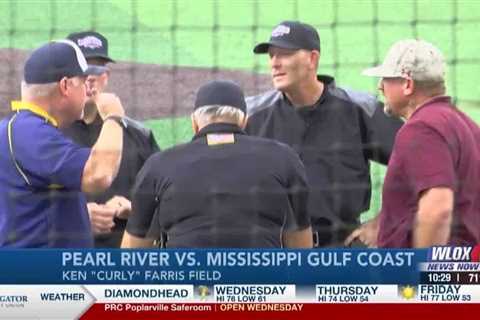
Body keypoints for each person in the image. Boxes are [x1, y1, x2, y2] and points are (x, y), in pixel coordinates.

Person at [246, 21, 403, 247]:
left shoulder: (360, 109)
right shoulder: (253, 115)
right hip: (274, 252)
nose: (274, 63)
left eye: (285, 54)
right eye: (271, 55)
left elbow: (416, 165)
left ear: (312, 59)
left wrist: (381, 222)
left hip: (340, 251)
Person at [122, 80, 312, 248]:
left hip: (189, 284)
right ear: (244, 122)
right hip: (260, 283)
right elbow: (301, 244)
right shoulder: (284, 158)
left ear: (194, 122)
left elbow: (132, 252)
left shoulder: (159, 165)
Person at [0, 40, 125, 247]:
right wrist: (115, 117)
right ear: (65, 86)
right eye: (83, 82)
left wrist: (82, 216)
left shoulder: (17, 129)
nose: (88, 90)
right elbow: (98, 175)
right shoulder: (29, 133)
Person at [360, 39, 480, 247]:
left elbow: (438, 208)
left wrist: (423, 272)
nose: (380, 86)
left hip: (442, 274)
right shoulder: (464, 123)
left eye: (387, 79)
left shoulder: (421, 128)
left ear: (408, 84)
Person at [63, 31, 160, 248]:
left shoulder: (138, 136)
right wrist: (76, 216)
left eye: (97, 69)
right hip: (62, 262)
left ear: (106, 76)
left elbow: (166, 199)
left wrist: (135, 211)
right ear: (65, 77)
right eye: (82, 68)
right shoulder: (47, 134)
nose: (90, 76)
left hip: (122, 265)